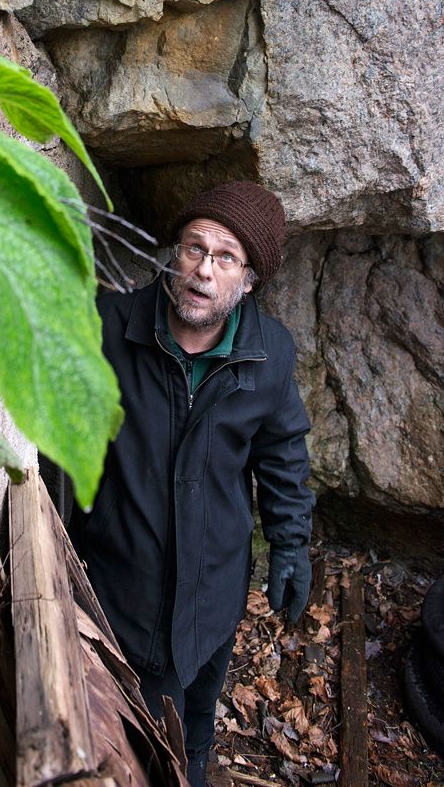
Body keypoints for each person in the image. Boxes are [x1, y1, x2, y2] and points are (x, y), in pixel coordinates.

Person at [67, 181, 314, 787]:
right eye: (193, 249)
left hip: (215, 588)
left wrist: (290, 544)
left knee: (197, 715)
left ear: (250, 280)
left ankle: (195, 761)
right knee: (135, 741)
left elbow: (282, 453)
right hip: (123, 591)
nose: (203, 270)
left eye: (225, 258)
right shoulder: (109, 329)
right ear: (173, 253)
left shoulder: (268, 354)